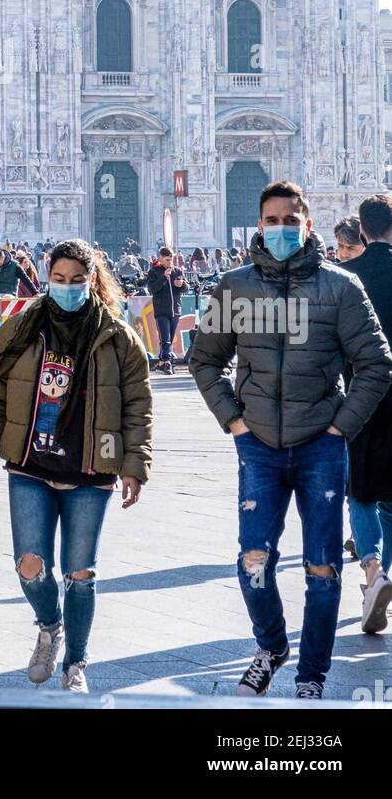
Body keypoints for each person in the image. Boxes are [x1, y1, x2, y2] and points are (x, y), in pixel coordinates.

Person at [190, 179, 392, 699]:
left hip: (322, 445)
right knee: (253, 560)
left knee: (322, 568)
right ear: (261, 224)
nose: (281, 228)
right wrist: (233, 420)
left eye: (290, 220)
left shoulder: (342, 287)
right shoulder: (232, 287)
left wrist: (340, 426)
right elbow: (204, 358)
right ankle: (272, 646)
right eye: (272, 220)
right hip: (257, 442)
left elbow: (376, 362)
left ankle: (311, 676)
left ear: (307, 223)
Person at [0, 238, 153, 693]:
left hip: (92, 469)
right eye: (59, 279)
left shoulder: (118, 337)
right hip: (31, 464)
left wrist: (135, 464)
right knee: (29, 565)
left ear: (92, 281)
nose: (67, 287)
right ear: (46, 278)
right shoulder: (21, 330)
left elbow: (138, 406)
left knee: (81, 573)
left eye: (76, 280)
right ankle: (50, 625)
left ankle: (76, 664)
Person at [340, 194, 392, 632]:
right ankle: (383, 579)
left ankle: (373, 569)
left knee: (360, 491)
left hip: (358, 396)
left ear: (362, 231)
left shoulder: (345, 278)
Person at [146, 246, 185, 374]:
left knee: (169, 337)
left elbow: (184, 288)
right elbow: (153, 289)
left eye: (171, 259)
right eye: (167, 260)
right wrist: (163, 277)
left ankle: (162, 362)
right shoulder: (154, 272)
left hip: (175, 310)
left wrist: (182, 284)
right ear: (161, 259)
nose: (170, 262)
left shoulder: (178, 271)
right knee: (165, 338)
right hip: (161, 310)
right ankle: (167, 362)